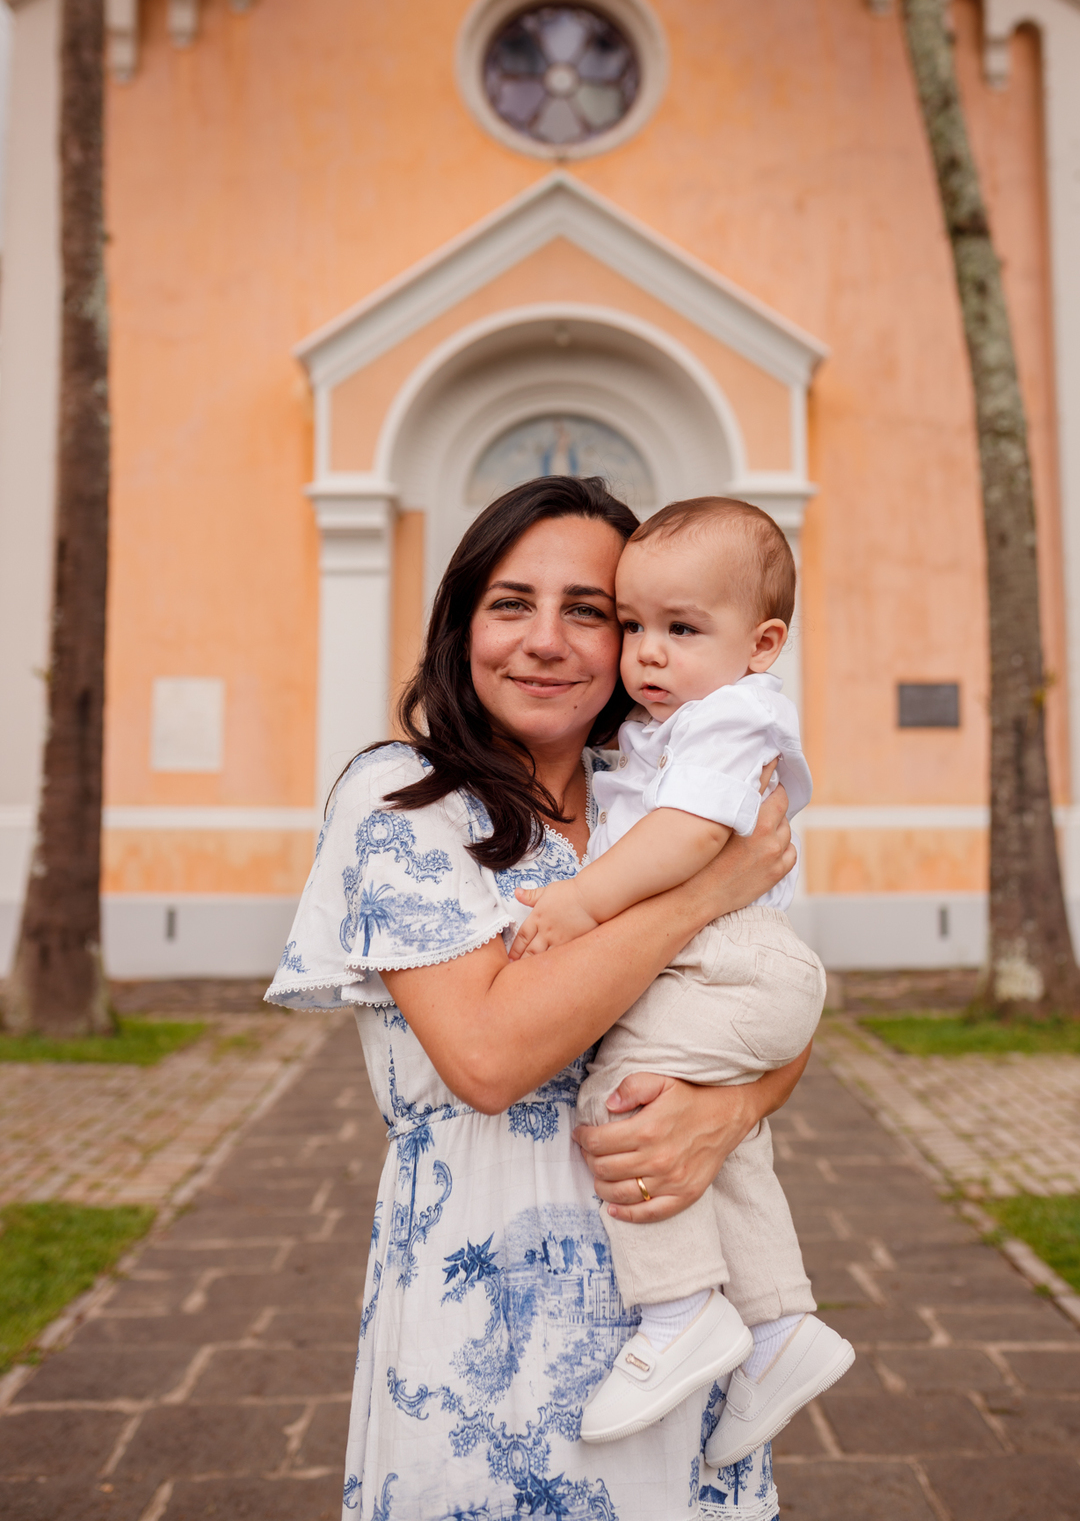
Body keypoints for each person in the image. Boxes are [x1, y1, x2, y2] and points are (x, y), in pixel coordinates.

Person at [265, 476, 808, 1521]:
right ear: (461, 625)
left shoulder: (661, 796)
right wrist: (703, 893)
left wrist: (729, 1112)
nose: (547, 641)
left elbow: (772, 1008)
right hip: (492, 1310)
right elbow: (487, 1057)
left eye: (590, 611)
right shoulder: (402, 798)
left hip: (683, 1300)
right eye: (511, 604)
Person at [508, 498, 854, 1462]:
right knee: (721, 1142)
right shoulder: (673, 724)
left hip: (732, 959)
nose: (646, 654)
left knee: (624, 1099)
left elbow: (694, 834)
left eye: (680, 629)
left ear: (762, 643)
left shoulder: (734, 716)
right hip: (730, 963)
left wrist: (582, 902)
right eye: (631, 627)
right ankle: (780, 1328)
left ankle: (678, 1311)